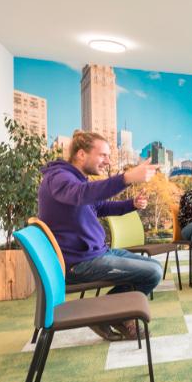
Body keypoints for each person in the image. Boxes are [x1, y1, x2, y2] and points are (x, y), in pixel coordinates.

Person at [38, 130, 162, 341]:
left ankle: (107, 316)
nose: (108, 161)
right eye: (103, 155)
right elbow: (81, 194)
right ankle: (109, 316)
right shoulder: (59, 177)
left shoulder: (77, 180)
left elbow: (100, 206)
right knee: (152, 273)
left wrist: (131, 204)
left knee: (154, 267)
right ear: (81, 154)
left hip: (98, 253)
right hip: (79, 263)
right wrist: (127, 178)